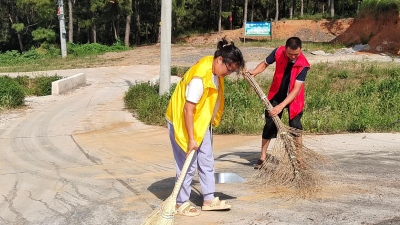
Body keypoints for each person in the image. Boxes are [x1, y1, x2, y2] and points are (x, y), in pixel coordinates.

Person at [165, 38, 245, 216]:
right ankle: (180, 203)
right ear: (220, 61)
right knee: (188, 164)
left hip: (201, 121)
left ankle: (208, 199)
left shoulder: (216, 69)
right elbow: (188, 109)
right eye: (229, 69)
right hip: (182, 120)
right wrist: (192, 139)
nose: (229, 74)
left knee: (206, 160)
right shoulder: (200, 78)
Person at [247, 37, 310, 169]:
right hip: (276, 94)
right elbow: (264, 64)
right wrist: (254, 72)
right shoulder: (278, 52)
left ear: (301, 50)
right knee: (269, 125)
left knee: (295, 127)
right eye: (290, 54)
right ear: (285, 49)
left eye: (296, 54)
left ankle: (299, 159)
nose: (293, 57)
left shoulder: (303, 64)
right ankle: (262, 157)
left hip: (294, 100)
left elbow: (296, 90)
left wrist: (281, 106)